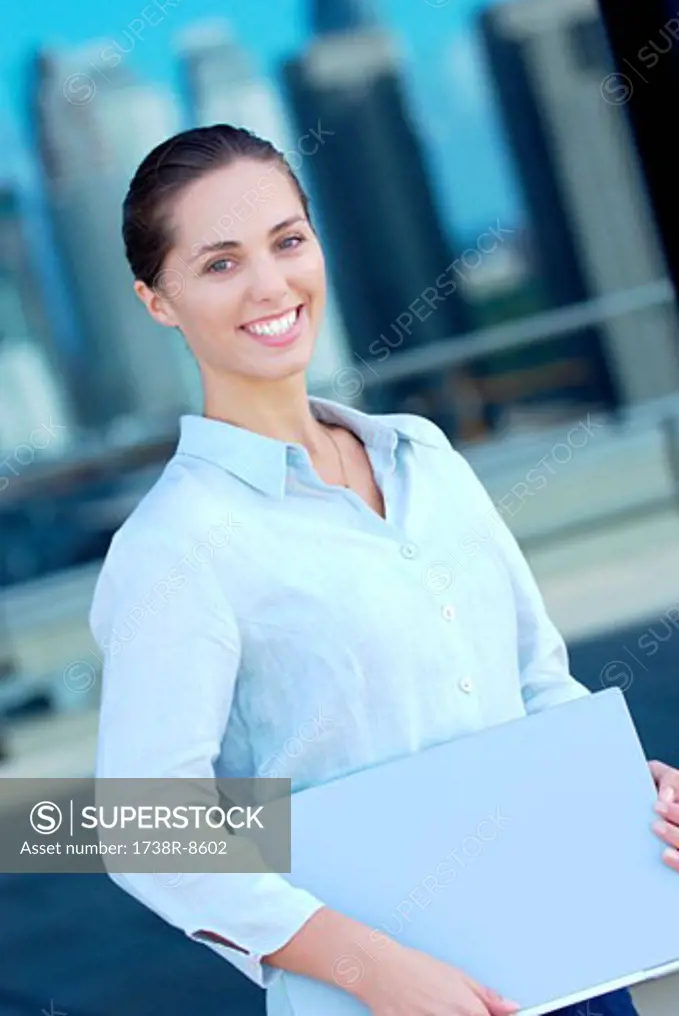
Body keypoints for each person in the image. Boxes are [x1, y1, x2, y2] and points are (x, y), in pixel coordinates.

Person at [90, 124, 679, 1016]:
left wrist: (629, 790)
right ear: (157, 301)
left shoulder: (425, 457)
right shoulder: (175, 545)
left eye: (287, 241)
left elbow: (533, 683)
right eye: (219, 263)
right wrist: (375, 969)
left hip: (574, 967)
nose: (269, 285)